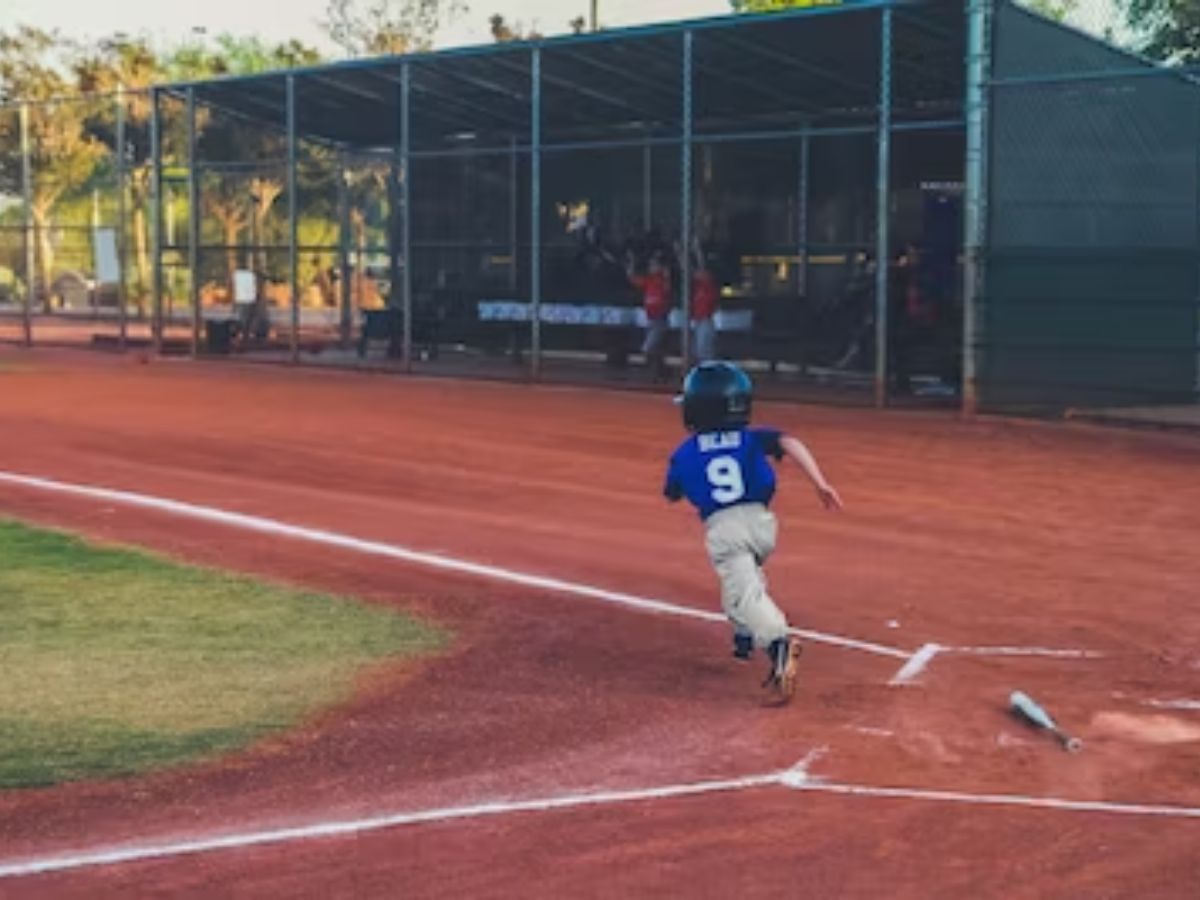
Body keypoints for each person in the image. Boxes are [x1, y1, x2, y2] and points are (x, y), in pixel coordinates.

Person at [662, 361, 842, 703]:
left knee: (745, 593)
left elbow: (671, 491)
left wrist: (679, 486)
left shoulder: (685, 452)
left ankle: (778, 645)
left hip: (725, 529)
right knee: (742, 581)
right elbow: (789, 442)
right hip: (763, 524)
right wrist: (820, 482)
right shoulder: (751, 437)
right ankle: (744, 635)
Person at [626, 249, 672, 381]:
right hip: (651, 319)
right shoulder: (649, 280)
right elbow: (632, 278)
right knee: (656, 350)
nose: (651, 267)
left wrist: (664, 269)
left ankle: (660, 373)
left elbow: (667, 283)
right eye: (651, 265)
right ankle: (660, 374)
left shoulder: (662, 280)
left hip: (660, 319)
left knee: (649, 349)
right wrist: (631, 262)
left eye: (653, 265)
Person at [689, 238, 719, 363]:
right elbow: (690, 270)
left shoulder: (709, 286)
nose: (699, 274)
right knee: (696, 352)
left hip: (706, 321)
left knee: (704, 352)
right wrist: (679, 252)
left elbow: (701, 266)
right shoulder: (699, 286)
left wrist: (697, 249)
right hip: (697, 321)